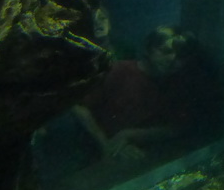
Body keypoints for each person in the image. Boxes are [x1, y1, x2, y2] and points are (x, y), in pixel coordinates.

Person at [73, 25, 210, 162]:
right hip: (101, 153)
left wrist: (130, 135)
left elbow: (179, 125)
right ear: (149, 49)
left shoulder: (178, 82)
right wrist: (106, 145)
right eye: (165, 51)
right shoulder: (119, 70)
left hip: (150, 156)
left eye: (180, 56)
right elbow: (79, 106)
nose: (172, 59)